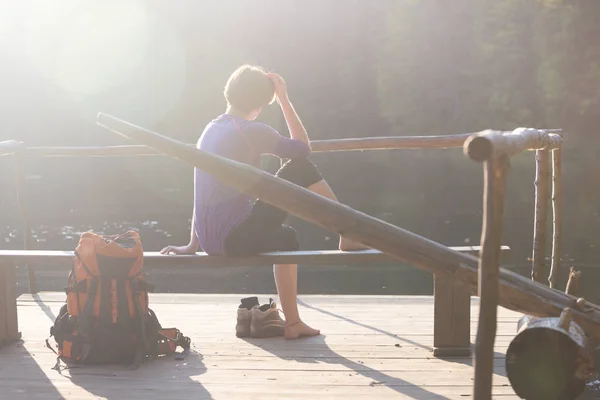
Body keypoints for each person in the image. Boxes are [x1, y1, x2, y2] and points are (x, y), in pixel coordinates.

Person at [160, 64, 367, 339]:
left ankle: (293, 321)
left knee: (286, 237)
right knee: (301, 166)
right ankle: (348, 232)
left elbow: (204, 189)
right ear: (261, 102)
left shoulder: (211, 129)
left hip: (211, 239)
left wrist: (193, 243)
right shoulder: (250, 130)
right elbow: (302, 149)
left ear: (229, 93)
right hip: (233, 238)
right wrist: (284, 99)